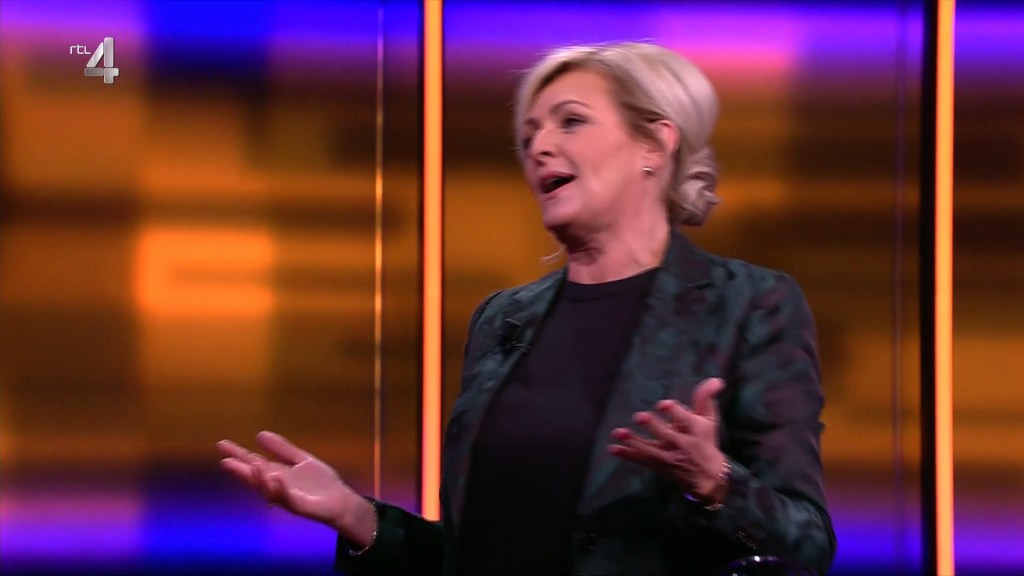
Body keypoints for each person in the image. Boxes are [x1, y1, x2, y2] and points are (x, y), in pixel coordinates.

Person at [218, 41, 836, 575]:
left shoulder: (750, 305)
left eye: (571, 122)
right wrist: (354, 515)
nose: (539, 146)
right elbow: (473, 553)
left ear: (655, 142)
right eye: (529, 135)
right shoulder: (502, 320)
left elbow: (806, 543)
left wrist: (715, 482)